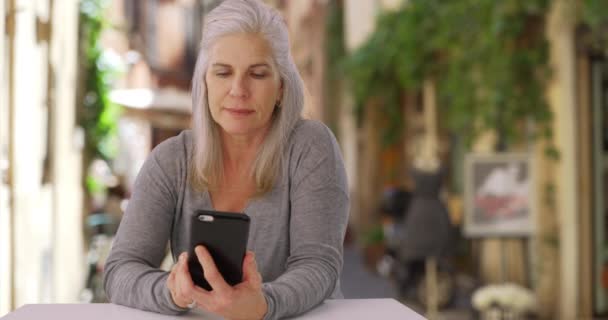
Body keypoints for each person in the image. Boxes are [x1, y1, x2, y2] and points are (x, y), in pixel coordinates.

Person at [102, 1, 349, 319]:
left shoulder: (311, 148)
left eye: (258, 74)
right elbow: (121, 269)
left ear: (281, 89)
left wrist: (263, 305)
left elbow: (319, 264)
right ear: (204, 82)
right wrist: (173, 291)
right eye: (222, 73)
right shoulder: (171, 161)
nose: (238, 90)